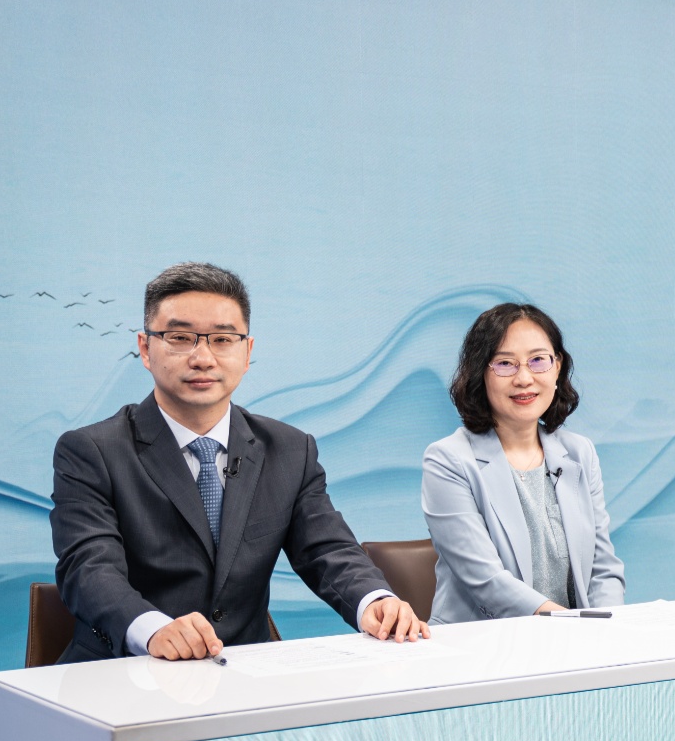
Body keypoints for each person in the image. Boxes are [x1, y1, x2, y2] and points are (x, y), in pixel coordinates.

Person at [51, 263, 427, 662]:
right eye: (180, 338)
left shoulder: (289, 449)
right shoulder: (91, 451)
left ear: (247, 352)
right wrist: (153, 628)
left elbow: (328, 550)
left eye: (222, 339)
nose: (202, 358)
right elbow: (88, 568)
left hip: (245, 672)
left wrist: (374, 601)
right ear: (145, 349)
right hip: (123, 672)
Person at [422, 303, 623, 621]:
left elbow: (603, 568)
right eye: (505, 364)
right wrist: (574, 626)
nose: (524, 378)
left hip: (579, 640)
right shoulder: (448, 460)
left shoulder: (579, 453)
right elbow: (487, 582)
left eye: (538, 360)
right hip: (482, 642)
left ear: (557, 368)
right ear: (480, 373)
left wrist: (606, 627)